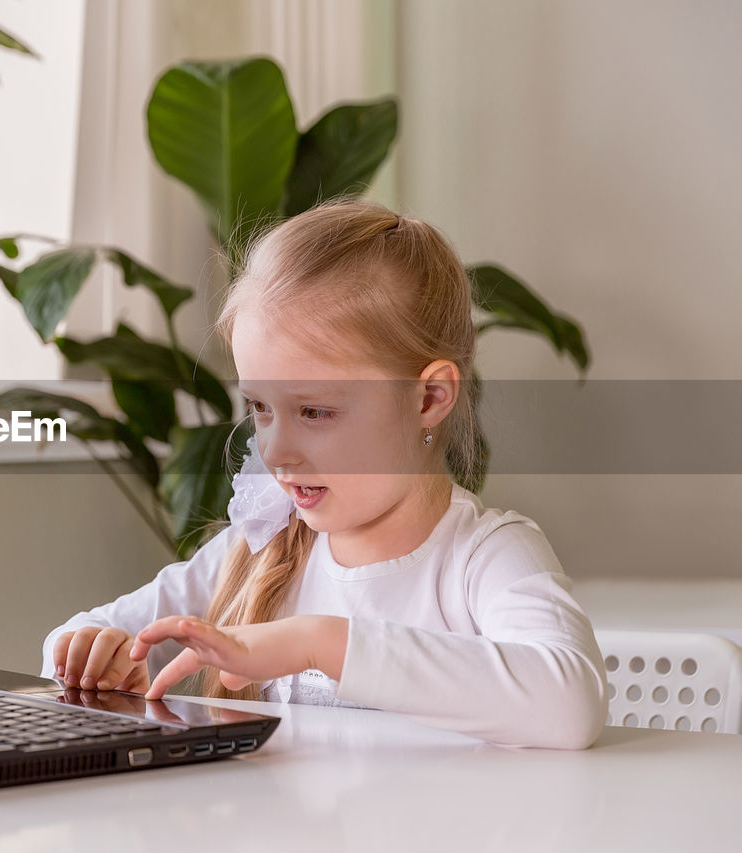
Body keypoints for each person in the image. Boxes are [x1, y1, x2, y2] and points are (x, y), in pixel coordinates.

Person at [39, 199, 608, 750]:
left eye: (315, 412)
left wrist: (315, 642)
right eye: (260, 409)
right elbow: (73, 641)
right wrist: (92, 652)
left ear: (430, 397)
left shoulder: (485, 557)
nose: (277, 451)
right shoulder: (258, 549)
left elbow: (570, 705)